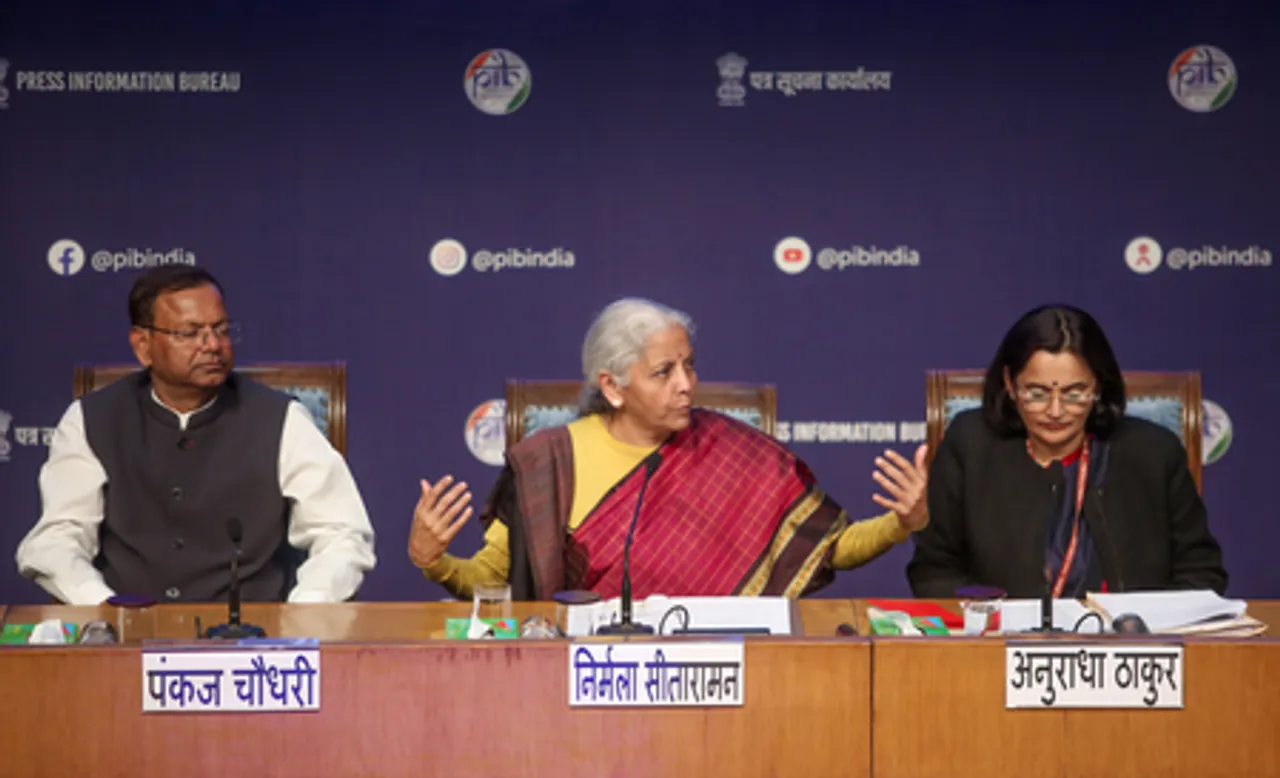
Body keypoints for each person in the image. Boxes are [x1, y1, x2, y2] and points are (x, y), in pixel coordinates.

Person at [409, 297, 930, 601]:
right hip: (583, 681)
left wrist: (901, 524)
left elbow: (829, 547)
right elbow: (493, 579)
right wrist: (435, 563)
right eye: (664, 372)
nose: (687, 385)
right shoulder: (550, 463)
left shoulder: (731, 451)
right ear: (612, 387)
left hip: (720, 675)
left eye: (689, 365)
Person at [15, 265, 377, 605]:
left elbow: (341, 534)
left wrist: (302, 613)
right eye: (189, 333)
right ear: (143, 346)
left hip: (253, 640)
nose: (213, 345)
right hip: (125, 634)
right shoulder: (91, 420)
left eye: (221, 329)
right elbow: (57, 540)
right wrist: (103, 608)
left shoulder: (282, 419)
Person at [907, 304, 1227, 599]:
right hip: (1000, 648)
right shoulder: (970, 445)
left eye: (1075, 393)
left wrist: (1152, 628)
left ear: (1098, 387)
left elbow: (1201, 572)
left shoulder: (1154, 452)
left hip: (1133, 649)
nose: (1056, 411)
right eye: (1037, 393)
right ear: (1009, 383)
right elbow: (933, 571)